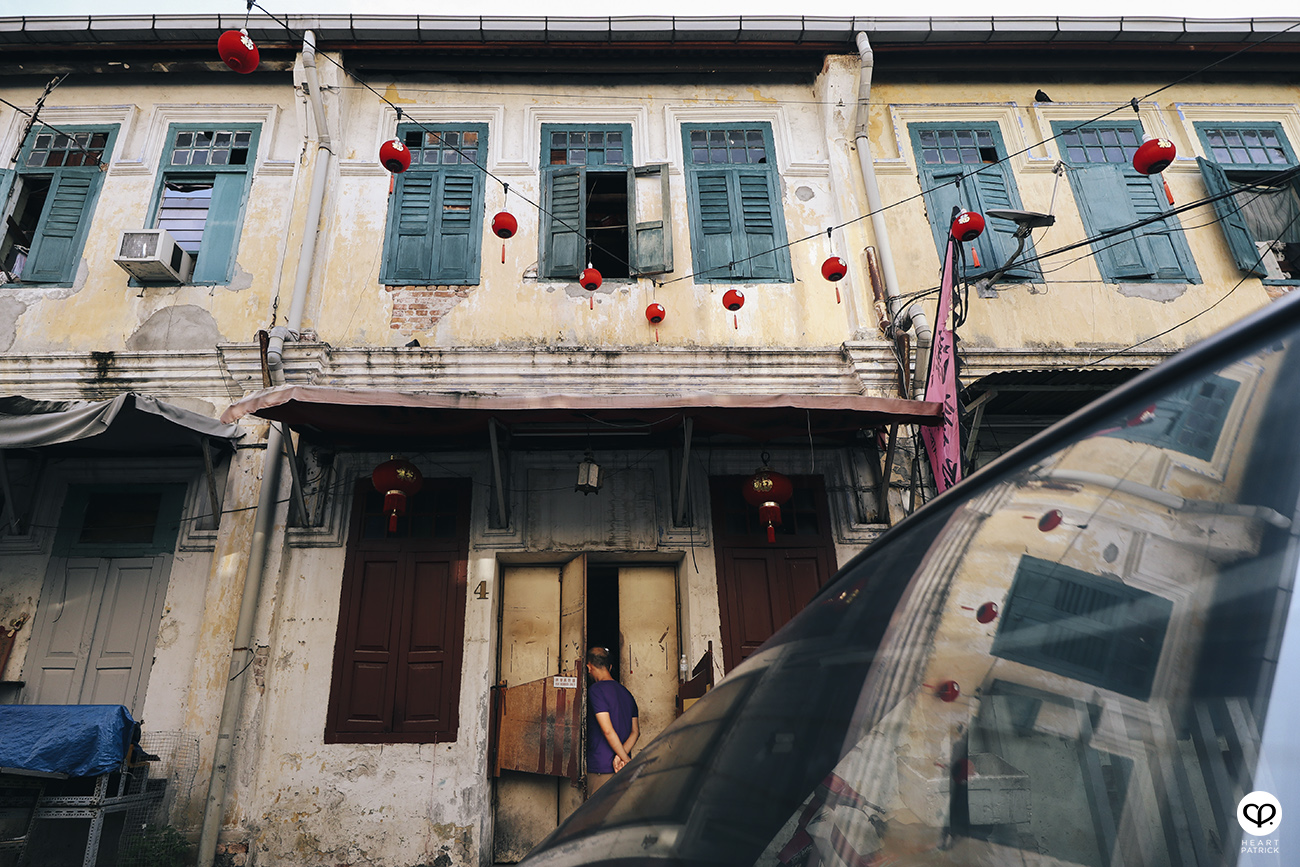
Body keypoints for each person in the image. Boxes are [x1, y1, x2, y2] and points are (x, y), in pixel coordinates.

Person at [585, 646, 639, 795]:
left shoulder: (596, 690)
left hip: (601, 767)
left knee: (598, 808)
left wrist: (624, 758)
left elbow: (607, 731)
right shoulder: (626, 693)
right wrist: (622, 757)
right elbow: (635, 732)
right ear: (609, 667)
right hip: (620, 767)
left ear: (588, 667)